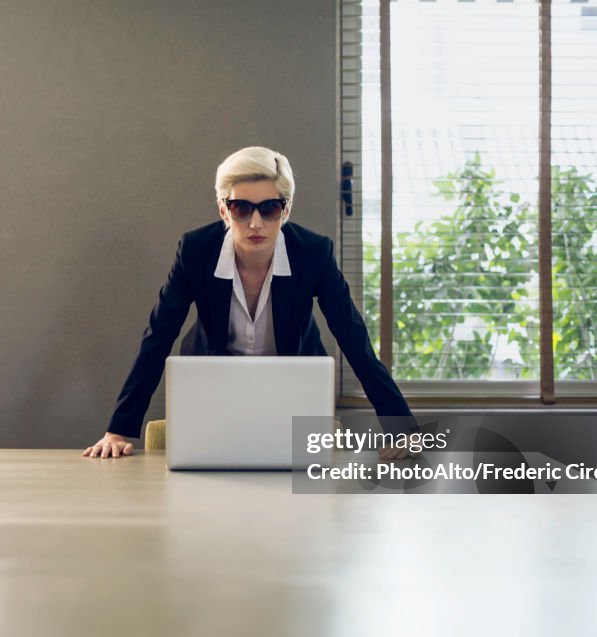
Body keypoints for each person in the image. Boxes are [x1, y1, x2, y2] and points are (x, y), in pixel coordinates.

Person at [83, 146, 414, 460]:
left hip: (292, 393)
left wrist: (401, 426)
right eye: (241, 208)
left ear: (286, 209)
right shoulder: (196, 251)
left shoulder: (313, 253)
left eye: (269, 208)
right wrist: (119, 429)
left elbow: (352, 337)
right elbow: (158, 335)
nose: (256, 223)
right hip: (213, 393)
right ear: (223, 209)